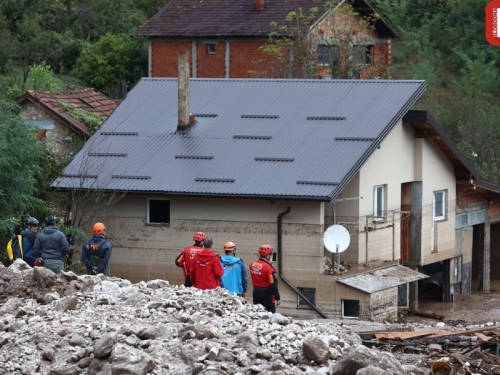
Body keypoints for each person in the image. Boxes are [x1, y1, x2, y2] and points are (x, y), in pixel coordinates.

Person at [249, 244, 281, 313]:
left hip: (256, 293)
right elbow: (272, 284)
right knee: (269, 314)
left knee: (257, 313)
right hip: (267, 295)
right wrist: (277, 298)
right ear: (268, 255)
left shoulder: (252, 264)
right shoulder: (270, 269)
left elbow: (261, 268)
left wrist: (268, 264)